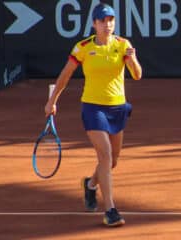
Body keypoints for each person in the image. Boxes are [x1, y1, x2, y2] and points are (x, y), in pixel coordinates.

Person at [44, 3, 142, 227]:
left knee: (113, 160)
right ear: (94, 24)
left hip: (118, 108)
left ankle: (90, 184)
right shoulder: (83, 48)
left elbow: (137, 75)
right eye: (102, 21)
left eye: (111, 21)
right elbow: (65, 75)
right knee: (105, 156)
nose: (107, 25)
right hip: (93, 108)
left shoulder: (123, 45)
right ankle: (110, 210)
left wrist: (133, 58)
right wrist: (52, 101)